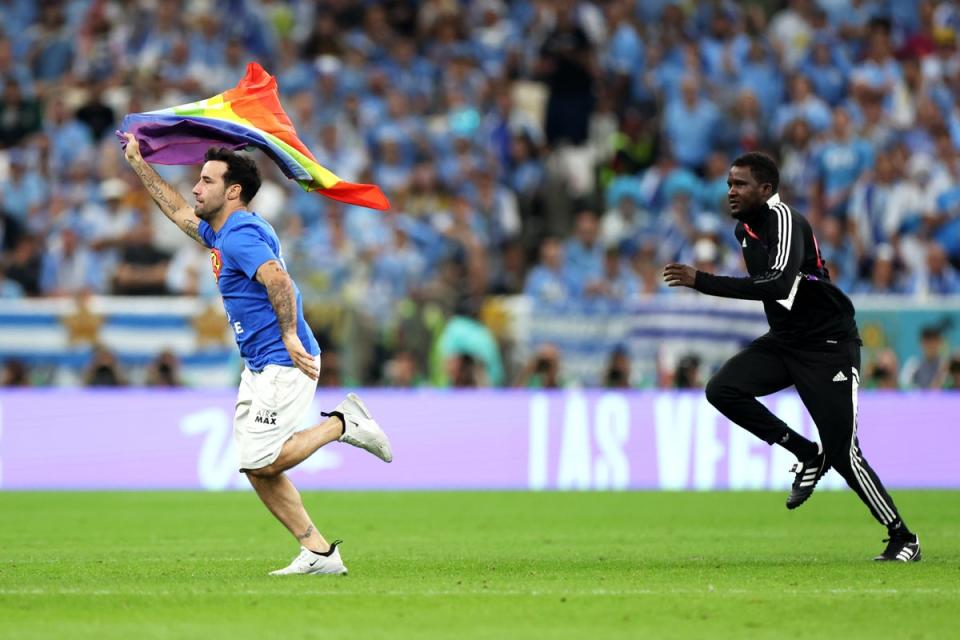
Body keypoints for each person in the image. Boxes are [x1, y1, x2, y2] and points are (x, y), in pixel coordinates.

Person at [121, 133, 393, 576]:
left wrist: (288, 335)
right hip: (261, 362)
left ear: (233, 191)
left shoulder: (240, 235)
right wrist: (138, 163)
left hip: (285, 360)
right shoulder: (224, 230)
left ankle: (343, 423)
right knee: (255, 467)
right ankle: (319, 553)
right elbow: (175, 211)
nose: (195, 188)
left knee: (262, 460)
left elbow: (279, 281)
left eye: (206, 180)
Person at [663, 152, 920, 562]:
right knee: (722, 389)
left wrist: (702, 281)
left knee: (844, 454)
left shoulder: (786, 219)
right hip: (786, 341)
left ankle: (903, 536)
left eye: (740, 184)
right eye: (729, 183)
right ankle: (804, 453)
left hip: (828, 348)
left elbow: (779, 284)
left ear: (766, 189)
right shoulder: (744, 229)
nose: (731, 191)